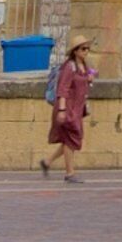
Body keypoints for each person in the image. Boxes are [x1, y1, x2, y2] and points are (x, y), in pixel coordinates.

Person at [39, 38, 94, 183]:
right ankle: (70, 173)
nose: (86, 51)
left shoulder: (83, 66)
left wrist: (89, 79)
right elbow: (62, 89)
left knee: (70, 139)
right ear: (75, 51)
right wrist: (62, 110)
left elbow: (82, 84)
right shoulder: (69, 67)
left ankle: (47, 162)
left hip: (77, 108)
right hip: (68, 107)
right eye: (83, 49)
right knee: (71, 138)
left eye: (88, 48)